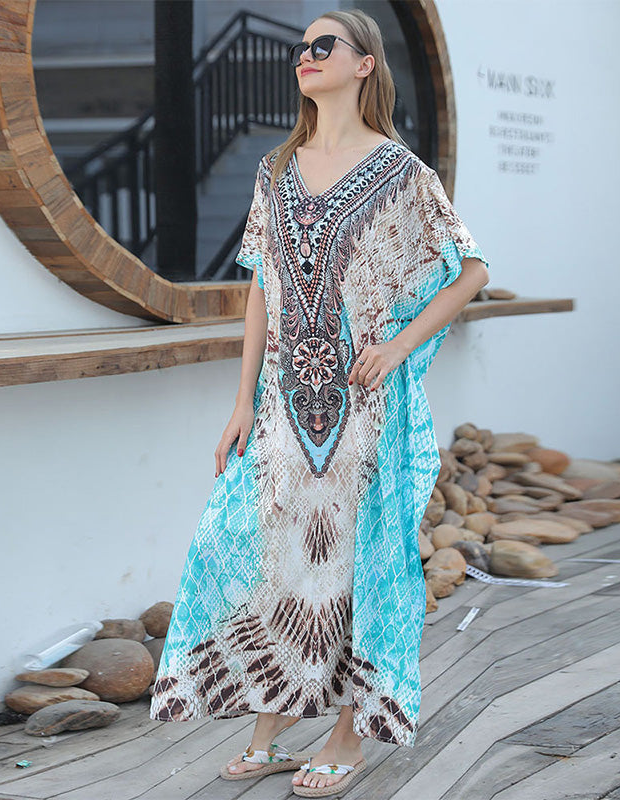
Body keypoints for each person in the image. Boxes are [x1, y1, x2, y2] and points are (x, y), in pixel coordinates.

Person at [149, 8, 489, 795]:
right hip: (281, 409)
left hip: (365, 407)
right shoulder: (276, 169)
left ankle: (348, 735)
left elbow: (470, 269)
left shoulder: (402, 173)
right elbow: (261, 290)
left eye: (323, 45)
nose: (306, 55)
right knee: (268, 552)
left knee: (355, 563)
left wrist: (398, 347)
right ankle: (271, 722)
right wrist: (241, 401)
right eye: (301, 47)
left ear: (365, 63)